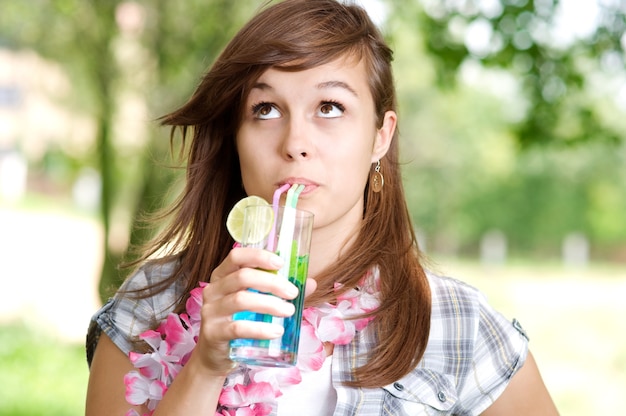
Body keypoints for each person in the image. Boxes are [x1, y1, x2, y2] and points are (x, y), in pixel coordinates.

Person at [85, 0, 559, 415]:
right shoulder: (150, 304)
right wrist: (206, 366)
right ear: (236, 137)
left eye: (330, 107)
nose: (295, 143)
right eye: (265, 109)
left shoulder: (460, 328)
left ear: (381, 135)